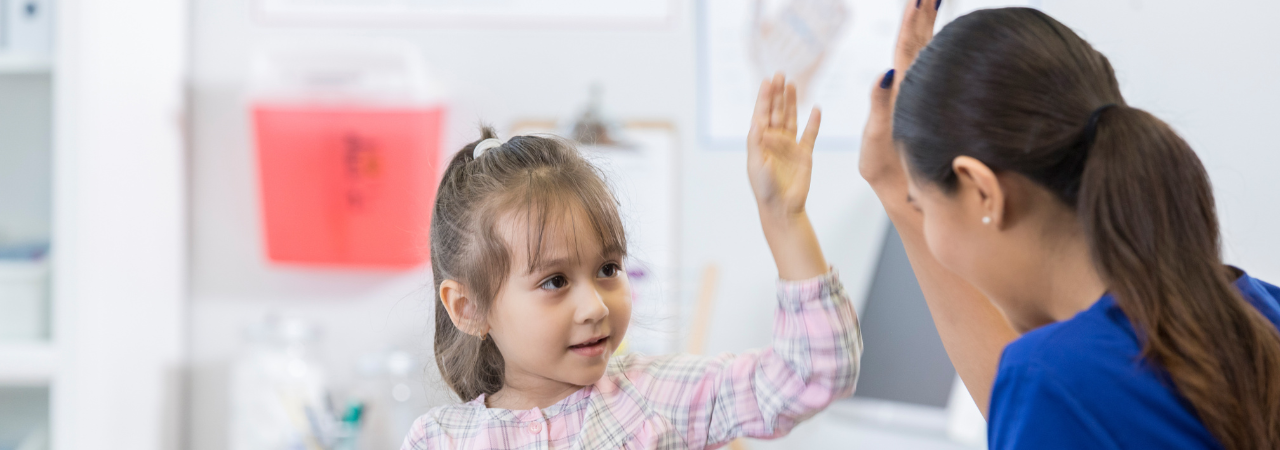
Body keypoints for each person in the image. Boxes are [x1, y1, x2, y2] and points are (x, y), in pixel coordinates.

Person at [858, 2, 1280, 449]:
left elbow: (1062, 396)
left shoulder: (1052, 379)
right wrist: (894, 184)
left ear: (982, 191)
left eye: (921, 205)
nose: (929, 234)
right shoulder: (1260, 308)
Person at [402, 77, 861, 449]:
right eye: (555, 281)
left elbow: (812, 373)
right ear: (468, 308)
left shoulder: (659, 396)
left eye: (607, 269)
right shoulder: (440, 439)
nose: (596, 307)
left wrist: (785, 219)